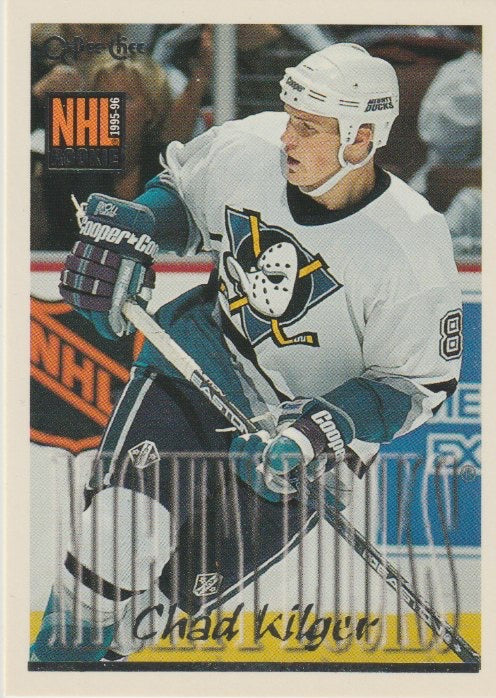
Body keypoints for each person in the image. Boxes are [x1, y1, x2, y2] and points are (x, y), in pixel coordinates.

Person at [31, 43, 462, 662]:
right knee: (119, 535)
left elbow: (417, 386)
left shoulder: (412, 247)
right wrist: (138, 228)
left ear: (361, 139)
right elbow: (182, 193)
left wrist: (318, 431)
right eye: (291, 118)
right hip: (208, 360)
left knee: (161, 607)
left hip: (312, 432)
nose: (287, 137)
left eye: (308, 128)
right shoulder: (249, 148)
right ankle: (47, 671)